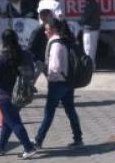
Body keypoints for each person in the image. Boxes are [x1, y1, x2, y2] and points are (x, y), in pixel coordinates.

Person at [33, 18, 84, 149]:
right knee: (70, 110)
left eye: (47, 29)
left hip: (58, 82)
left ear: (54, 29)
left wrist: (50, 76)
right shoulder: (66, 39)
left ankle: (38, 140)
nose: (45, 32)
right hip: (69, 81)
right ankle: (78, 138)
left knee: (49, 113)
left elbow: (55, 66)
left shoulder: (55, 44)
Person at [0, 29, 37, 159]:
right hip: (21, 93)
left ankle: (29, 147)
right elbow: (32, 70)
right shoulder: (25, 54)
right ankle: (0, 147)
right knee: (8, 120)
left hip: (5, 94)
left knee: (14, 122)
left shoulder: (1, 57)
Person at [80, 0, 101, 64]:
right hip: (94, 28)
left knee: (88, 48)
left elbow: (85, 17)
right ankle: (91, 65)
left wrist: (79, 23)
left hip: (89, 29)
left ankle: (89, 66)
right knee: (92, 49)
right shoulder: (95, 4)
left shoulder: (90, 5)